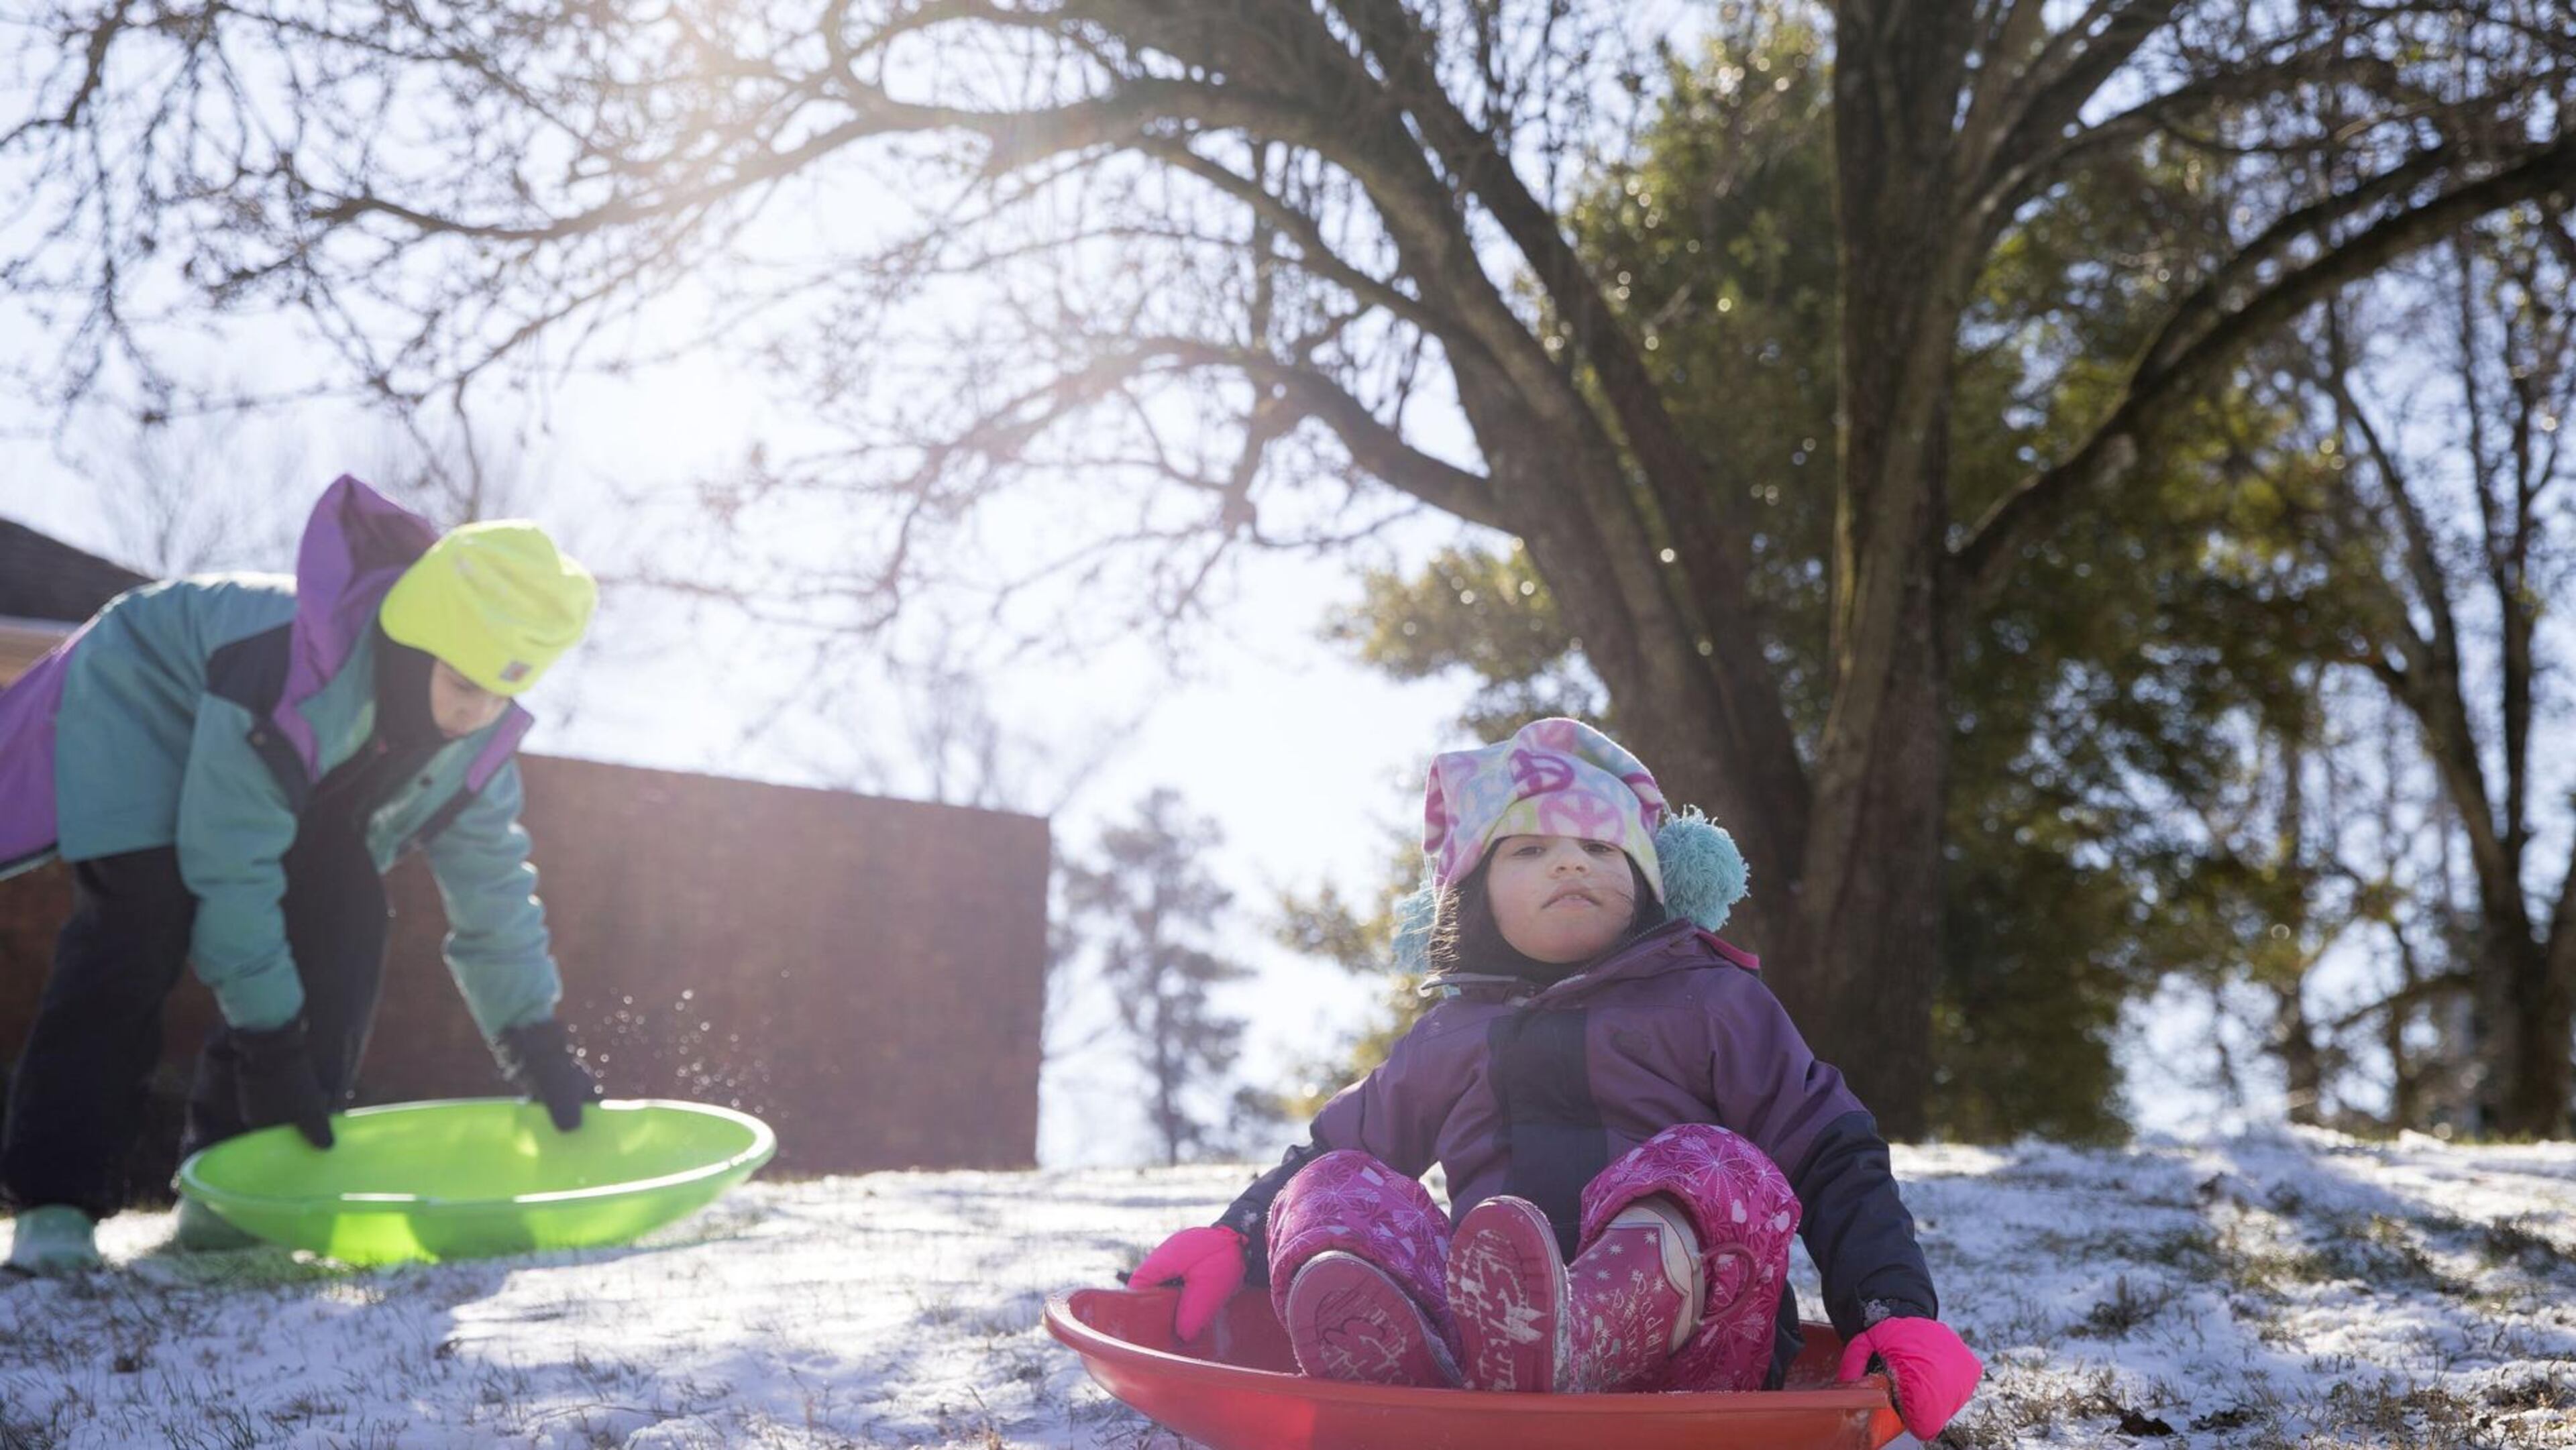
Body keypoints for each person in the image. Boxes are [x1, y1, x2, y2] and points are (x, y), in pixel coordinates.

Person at [1125, 718, 1982, 1440]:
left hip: (1694, 1364)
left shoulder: (1713, 999)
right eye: (1530, 847)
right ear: (1474, 893)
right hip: (1484, 1355)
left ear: (1648, 882)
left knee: (1714, 1162)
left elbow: (1832, 1148)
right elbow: (1335, 1146)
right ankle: (1403, 1358)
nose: (1570, 862)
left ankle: (1580, 1332)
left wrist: (1889, 1307)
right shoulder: (1449, 1036)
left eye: (1599, 845)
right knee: (1337, 1182)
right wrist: (1237, 1235)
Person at [0, 476, 604, 1276]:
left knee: (348, 908)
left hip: (265, 764)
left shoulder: (471, 741)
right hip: (145, 695)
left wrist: (535, 1039)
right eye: (464, 684)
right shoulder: (287, 669)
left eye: (505, 694)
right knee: (139, 921)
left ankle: (239, 1194)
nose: (478, 714)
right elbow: (232, 867)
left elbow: (494, 890)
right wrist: (269, 1038)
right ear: (419, 643)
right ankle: (56, 1202)